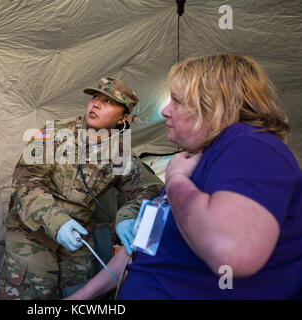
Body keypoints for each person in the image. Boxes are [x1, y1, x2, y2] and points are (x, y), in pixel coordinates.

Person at [66, 53, 302, 300]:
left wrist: (176, 180)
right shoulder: (197, 161)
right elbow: (140, 248)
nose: (166, 111)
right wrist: (81, 298)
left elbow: (232, 251)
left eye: (176, 101)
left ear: (213, 107)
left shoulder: (249, 145)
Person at [0, 77, 164, 300]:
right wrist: (57, 221)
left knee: (81, 295)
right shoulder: (53, 132)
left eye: (108, 101)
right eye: (95, 97)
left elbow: (152, 190)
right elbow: (26, 182)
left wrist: (127, 216)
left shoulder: (120, 155)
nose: (95, 104)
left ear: (123, 117)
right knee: (33, 293)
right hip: (32, 231)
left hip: (78, 237)